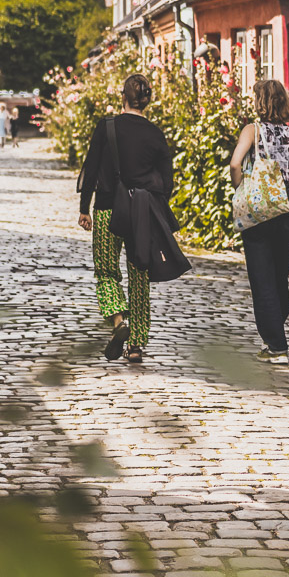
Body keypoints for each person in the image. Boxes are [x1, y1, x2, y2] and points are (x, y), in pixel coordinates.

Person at [77, 73, 187, 365]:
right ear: (147, 102)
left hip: (106, 209)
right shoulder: (155, 134)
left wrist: (83, 208)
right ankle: (136, 345)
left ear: (122, 98)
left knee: (106, 270)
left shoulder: (107, 126)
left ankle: (118, 321)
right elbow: (167, 183)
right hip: (142, 211)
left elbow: (90, 167)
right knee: (139, 275)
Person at [229, 79, 289, 366]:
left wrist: (241, 189)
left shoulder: (252, 130)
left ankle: (277, 345)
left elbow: (234, 163)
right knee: (279, 276)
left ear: (261, 102)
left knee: (261, 278)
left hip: (258, 212)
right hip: (286, 210)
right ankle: (274, 331)